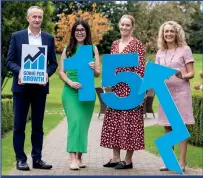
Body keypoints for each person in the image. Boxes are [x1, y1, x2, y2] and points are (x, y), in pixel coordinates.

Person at [6, 6, 58, 171]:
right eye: (34, 17)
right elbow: (9, 61)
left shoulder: (49, 38)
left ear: (42, 19)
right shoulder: (17, 36)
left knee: (38, 126)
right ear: (28, 18)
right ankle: (21, 159)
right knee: (19, 125)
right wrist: (20, 71)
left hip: (39, 89)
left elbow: (53, 63)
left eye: (40, 17)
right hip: (21, 89)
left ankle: (37, 159)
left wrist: (46, 74)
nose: (37, 20)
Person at [100, 15, 146, 169]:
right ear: (119, 25)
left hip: (131, 90)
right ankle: (115, 158)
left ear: (132, 27)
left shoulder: (137, 45)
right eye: (122, 24)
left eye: (127, 25)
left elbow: (140, 69)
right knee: (114, 123)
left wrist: (140, 91)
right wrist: (107, 82)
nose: (124, 27)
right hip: (115, 90)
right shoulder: (114, 44)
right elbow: (110, 67)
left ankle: (128, 160)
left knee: (130, 124)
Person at [59, 20, 100, 170]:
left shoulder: (93, 49)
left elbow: (97, 74)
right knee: (74, 123)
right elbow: (61, 72)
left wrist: (93, 67)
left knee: (82, 126)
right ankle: (73, 159)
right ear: (73, 32)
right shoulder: (68, 49)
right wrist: (70, 82)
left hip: (87, 92)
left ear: (87, 32)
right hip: (70, 91)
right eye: (77, 30)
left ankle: (80, 157)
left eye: (82, 30)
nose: (80, 32)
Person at [155, 21, 195, 172]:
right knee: (168, 127)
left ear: (176, 33)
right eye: (166, 32)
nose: (169, 34)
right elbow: (157, 73)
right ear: (163, 34)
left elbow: (191, 73)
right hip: (166, 93)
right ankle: (169, 161)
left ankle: (182, 162)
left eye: (171, 31)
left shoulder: (185, 50)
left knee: (180, 126)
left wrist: (182, 75)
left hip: (181, 93)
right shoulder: (160, 52)